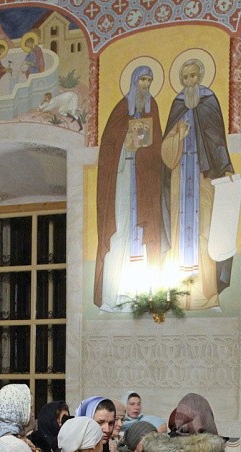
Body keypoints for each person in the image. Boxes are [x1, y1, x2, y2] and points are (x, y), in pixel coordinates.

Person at [161, 58, 234, 309]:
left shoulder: (209, 100)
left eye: (193, 76)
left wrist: (225, 167)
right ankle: (178, 297)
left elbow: (217, 138)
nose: (189, 81)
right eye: (185, 78)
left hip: (205, 175)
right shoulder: (177, 105)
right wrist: (177, 137)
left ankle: (208, 293)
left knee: (206, 230)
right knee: (178, 230)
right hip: (180, 178)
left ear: (200, 76)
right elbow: (166, 153)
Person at [94, 65, 165, 310]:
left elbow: (158, 147)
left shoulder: (153, 108)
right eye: (142, 80)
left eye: (149, 80)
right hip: (123, 176)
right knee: (120, 228)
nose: (145, 85)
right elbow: (108, 147)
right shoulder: (120, 108)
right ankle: (113, 295)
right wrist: (124, 141)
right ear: (134, 81)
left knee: (145, 231)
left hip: (145, 180)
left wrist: (146, 150)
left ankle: (145, 295)